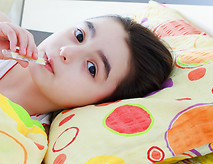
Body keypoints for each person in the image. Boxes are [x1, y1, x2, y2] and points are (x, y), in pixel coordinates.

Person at [0, 12, 173, 118]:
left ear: (103, 102)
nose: (66, 52)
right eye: (79, 35)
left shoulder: (27, 139)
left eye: (92, 68)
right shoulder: (3, 28)